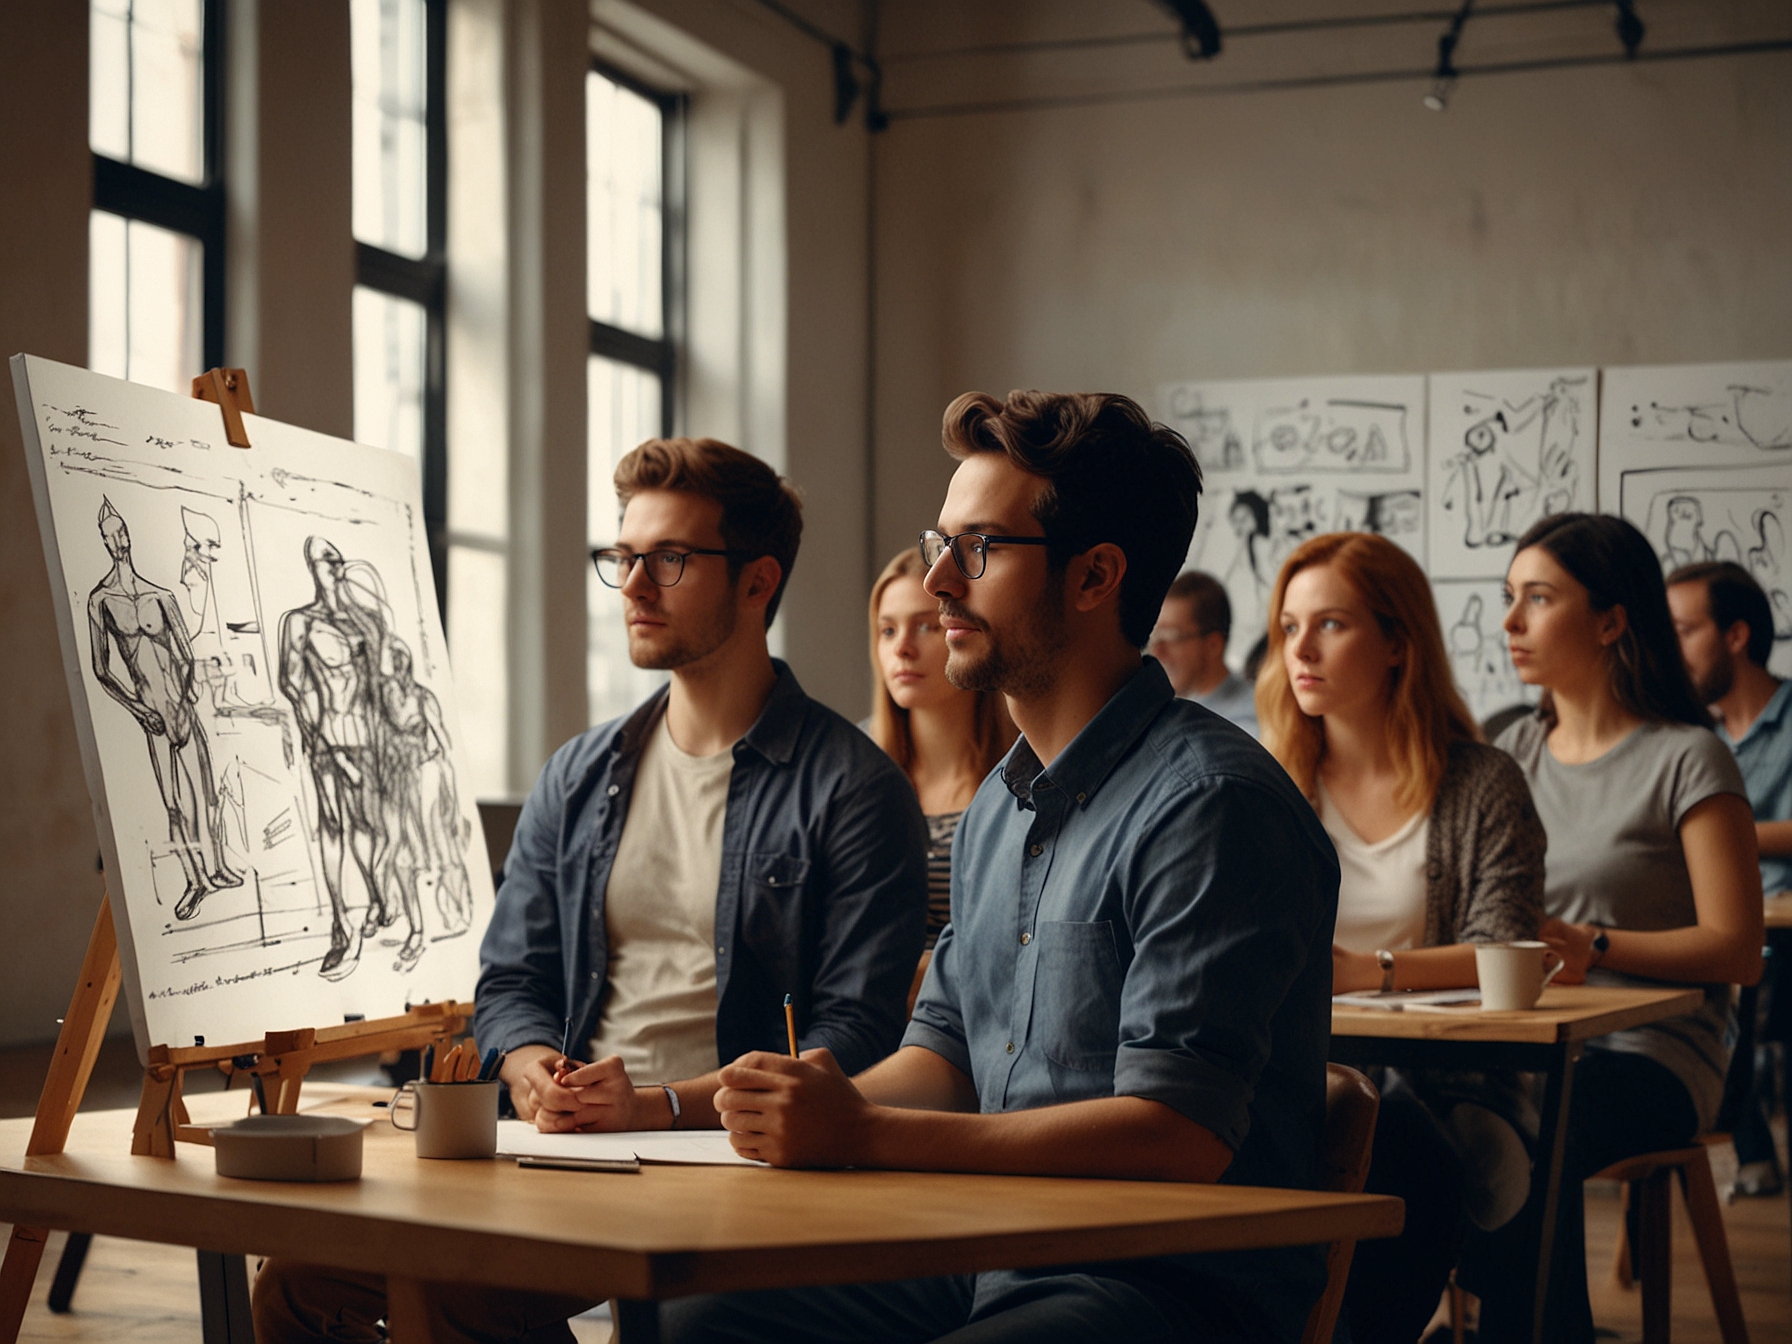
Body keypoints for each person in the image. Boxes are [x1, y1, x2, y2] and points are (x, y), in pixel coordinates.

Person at [664, 390, 1342, 1344]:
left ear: (1096, 575)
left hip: (1156, 1287)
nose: (938, 581)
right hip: (985, 1250)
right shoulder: (1000, 802)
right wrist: (804, 1099)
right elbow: (943, 1057)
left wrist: (862, 1135)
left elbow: (1175, 1132)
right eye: (939, 542)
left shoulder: (1211, 805)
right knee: (696, 1320)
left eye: (976, 549)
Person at [253, 437, 929, 1344]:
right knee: (300, 1285)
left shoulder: (854, 787)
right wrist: (532, 1070)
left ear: (758, 581)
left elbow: (858, 1032)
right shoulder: (579, 774)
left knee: (458, 1299)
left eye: (670, 559)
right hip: (558, 1150)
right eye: (623, 558)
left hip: (732, 1161)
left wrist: (660, 1105)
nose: (636, 586)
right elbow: (510, 981)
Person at [1458, 513, 1764, 1344]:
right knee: (1415, 1120)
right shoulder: (1507, 749)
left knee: (1529, 1134)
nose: (1511, 622)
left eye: (1539, 599)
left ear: (1610, 619)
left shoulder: (1687, 756)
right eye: (1508, 598)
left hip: (1655, 1054)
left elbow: (1737, 947)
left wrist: (1593, 945)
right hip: (1522, 1042)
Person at [1260, 531, 1547, 1344]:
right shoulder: (1267, 780)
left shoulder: (1482, 782)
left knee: (1399, 1146)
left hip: (1451, 1076)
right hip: (1300, 1065)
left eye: (1331, 625)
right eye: (1288, 627)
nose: (1301, 650)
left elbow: (1506, 946)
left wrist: (1369, 972)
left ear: (1396, 642)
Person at [1668, 559, 1790, 1196]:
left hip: (1776, 928)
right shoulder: (1691, 737)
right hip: (1719, 928)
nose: (1669, 649)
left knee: (1754, 966)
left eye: (1683, 630)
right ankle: (1744, 1146)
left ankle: (1746, 1143)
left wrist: (1716, 833)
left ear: (1736, 636)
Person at [868, 547, 1016, 975]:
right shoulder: (852, 767)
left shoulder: (1023, 773)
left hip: (977, 1018)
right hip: (867, 1019)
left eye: (926, 627)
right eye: (887, 631)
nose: (903, 650)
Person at [1149, 569, 1258, 736]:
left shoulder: (1249, 726)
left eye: (1172, 636)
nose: (1157, 651)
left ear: (1213, 645)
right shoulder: (1169, 711)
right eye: (1155, 637)